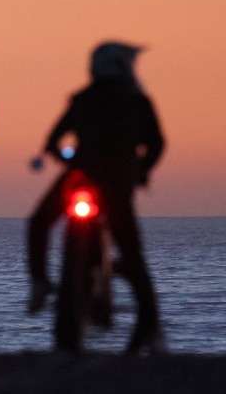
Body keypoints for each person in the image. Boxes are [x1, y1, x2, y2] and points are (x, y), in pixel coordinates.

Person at [26, 41, 166, 354]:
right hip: (117, 182)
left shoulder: (84, 99)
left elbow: (52, 140)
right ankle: (153, 330)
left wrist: (66, 160)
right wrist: (142, 171)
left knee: (39, 221)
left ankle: (38, 282)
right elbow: (157, 142)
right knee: (132, 252)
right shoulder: (138, 102)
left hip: (80, 175)